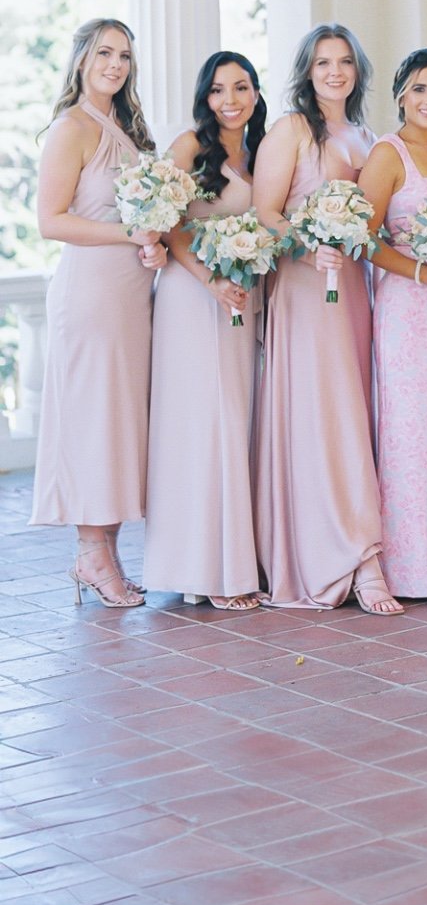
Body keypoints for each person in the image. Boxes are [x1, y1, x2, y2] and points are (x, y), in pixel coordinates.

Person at [252, 24, 401, 615]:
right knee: (324, 415)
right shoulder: (291, 130)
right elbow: (266, 212)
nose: (334, 72)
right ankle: (356, 560)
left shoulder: (366, 136)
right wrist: (309, 246)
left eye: (344, 62)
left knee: (352, 412)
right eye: (322, 63)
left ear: (358, 70)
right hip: (306, 288)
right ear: (307, 72)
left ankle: (354, 543)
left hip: (356, 291)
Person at [30, 18, 165, 607]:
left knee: (119, 421)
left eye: (125, 56)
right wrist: (126, 232)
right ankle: (90, 553)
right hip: (91, 295)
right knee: (93, 419)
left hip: (131, 296)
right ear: (82, 59)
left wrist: (152, 239)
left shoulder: (125, 129)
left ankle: (104, 552)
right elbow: (51, 220)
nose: (116, 64)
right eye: (105, 52)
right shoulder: (72, 128)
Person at [142, 52, 267, 611]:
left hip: (241, 298)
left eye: (241, 88)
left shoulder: (262, 151)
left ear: (257, 94)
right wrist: (210, 279)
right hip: (192, 298)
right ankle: (202, 569)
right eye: (219, 90)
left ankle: (229, 558)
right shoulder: (190, 147)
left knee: (233, 420)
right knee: (199, 423)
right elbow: (164, 225)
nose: (231, 100)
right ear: (206, 97)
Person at [360, 49, 427, 599]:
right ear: (401, 93)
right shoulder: (388, 153)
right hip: (408, 309)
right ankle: (410, 567)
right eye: (420, 89)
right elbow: (364, 238)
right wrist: (421, 270)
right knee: (409, 434)